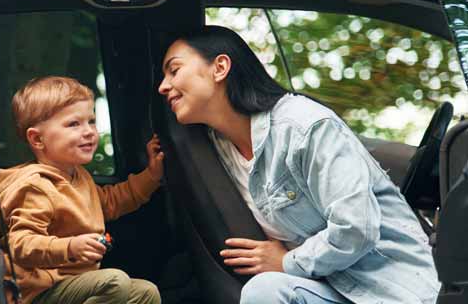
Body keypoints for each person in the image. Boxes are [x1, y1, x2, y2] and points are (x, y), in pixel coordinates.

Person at [156, 26, 439, 304]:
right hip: (325, 287)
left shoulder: (305, 126)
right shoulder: (213, 147)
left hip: (389, 291)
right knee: (265, 290)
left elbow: (357, 228)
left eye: (174, 70)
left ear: (220, 68)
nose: (163, 86)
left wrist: (287, 262)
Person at [0, 76, 164, 304]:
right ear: (37, 139)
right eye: (74, 124)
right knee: (114, 282)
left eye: (91, 121)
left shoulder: (79, 176)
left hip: (70, 284)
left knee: (146, 292)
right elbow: (21, 244)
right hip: (38, 293)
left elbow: (110, 202)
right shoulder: (36, 186)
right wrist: (69, 247)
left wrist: (152, 176)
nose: (89, 131)